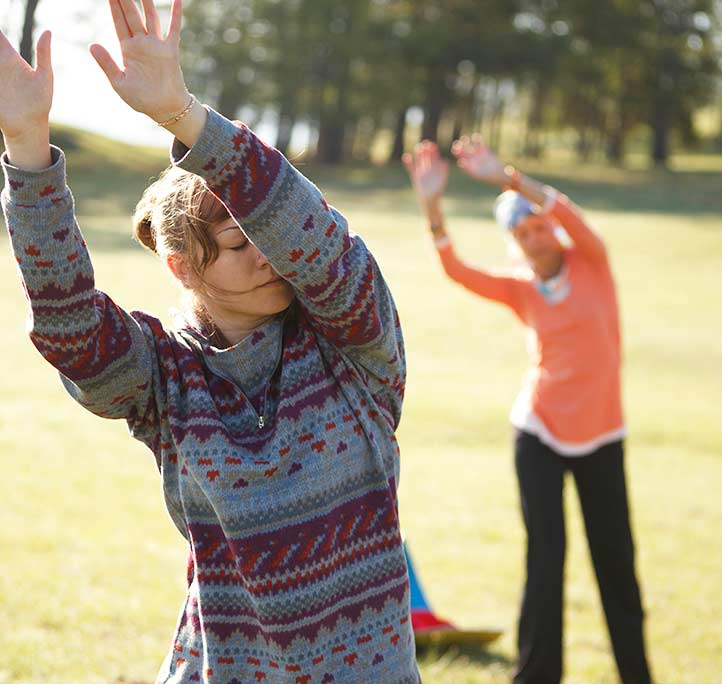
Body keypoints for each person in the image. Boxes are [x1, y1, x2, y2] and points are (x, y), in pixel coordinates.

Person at [0, 1, 419, 682]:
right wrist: (26, 147)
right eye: (236, 243)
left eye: (269, 234)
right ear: (183, 266)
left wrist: (181, 115)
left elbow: (311, 234)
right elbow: (68, 325)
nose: (269, 254)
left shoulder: (353, 343)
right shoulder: (165, 381)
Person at [403, 137, 653, 684]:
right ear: (514, 243)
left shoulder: (592, 261)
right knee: (545, 560)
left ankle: (637, 675)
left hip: (603, 435)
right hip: (538, 432)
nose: (534, 237)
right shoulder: (523, 290)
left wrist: (506, 178)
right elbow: (457, 271)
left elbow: (566, 208)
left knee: (616, 563)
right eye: (521, 234)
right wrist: (432, 205)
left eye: (537, 226)